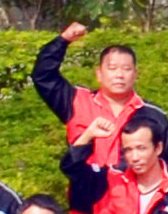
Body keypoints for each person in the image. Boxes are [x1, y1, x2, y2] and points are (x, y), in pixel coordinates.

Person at [31, 20, 160, 181]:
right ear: (99, 74)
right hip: (87, 194)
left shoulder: (152, 114)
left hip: (134, 194)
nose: (119, 75)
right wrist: (63, 40)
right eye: (112, 68)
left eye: (126, 69)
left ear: (135, 74)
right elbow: (43, 76)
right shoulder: (76, 101)